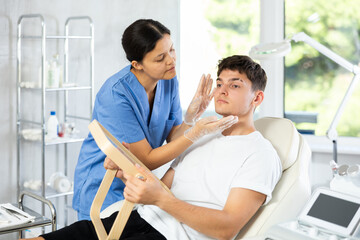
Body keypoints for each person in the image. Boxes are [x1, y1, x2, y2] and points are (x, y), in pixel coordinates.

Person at [24, 55, 282, 240]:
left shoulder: (260, 155)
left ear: (257, 97)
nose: (221, 91)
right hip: (137, 220)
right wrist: (128, 169)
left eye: (234, 85)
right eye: (219, 83)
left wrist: (159, 198)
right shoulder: (202, 136)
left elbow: (226, 228)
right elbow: (163, 187)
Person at [73, 19, 237, 220]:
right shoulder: (116, 95)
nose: (171, 61)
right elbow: (145, 160)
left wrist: (191, 119)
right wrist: (195, 134)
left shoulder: (168, 80)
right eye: (160, 58)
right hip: (103, 184)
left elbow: (172, 138)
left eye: (172, 50)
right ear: (137, 64)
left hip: (137, 186)